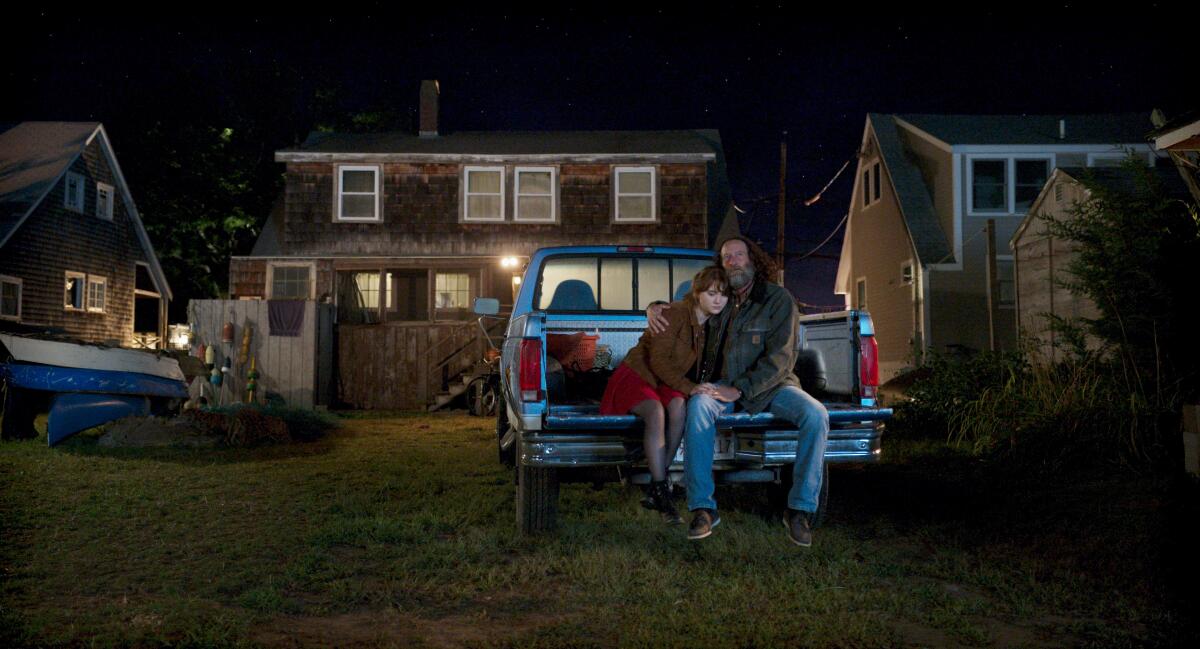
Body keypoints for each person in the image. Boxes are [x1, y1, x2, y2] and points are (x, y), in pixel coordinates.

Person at [646, 236, 829, 546]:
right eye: (726, 257)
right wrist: (653, 307)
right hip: (725, 386)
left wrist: (739, 389)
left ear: (752, 260)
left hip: (773, 387)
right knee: (700, 405)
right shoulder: (719, 298)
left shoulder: (778, 300)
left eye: (739, 255)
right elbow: (684, 308)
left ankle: (799, 510)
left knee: (816, 414)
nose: (733, 261)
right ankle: (703, 508)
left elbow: (781, 358)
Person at [600, 266, 731, 524]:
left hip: (664, 381)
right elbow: (658, 361)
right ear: (697, 293)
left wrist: (697, 387)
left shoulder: (708, 326)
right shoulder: (675, 313)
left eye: (723, 295)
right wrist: (690, 386)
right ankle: (662, 492)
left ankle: (656, 483)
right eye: (712, 293)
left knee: (680, 406)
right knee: (656, 412)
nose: (718, 300)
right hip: (639, 373)